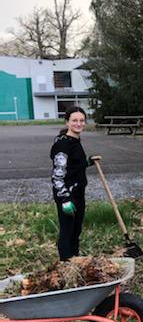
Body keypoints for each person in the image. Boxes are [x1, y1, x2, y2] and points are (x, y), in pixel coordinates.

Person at [50, 106, 99, 261]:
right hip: (66, 194)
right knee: (67, 230)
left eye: (82, 120)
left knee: (76, 229)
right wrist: (65, 198)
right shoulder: (62, 145)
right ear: (67, 122)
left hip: (78, 193)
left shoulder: (75, 141)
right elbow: (57, 176)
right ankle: (66, 263)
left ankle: (75, 260)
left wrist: (88, 162)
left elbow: (73, 166)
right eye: (74, 120)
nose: (78, 123)